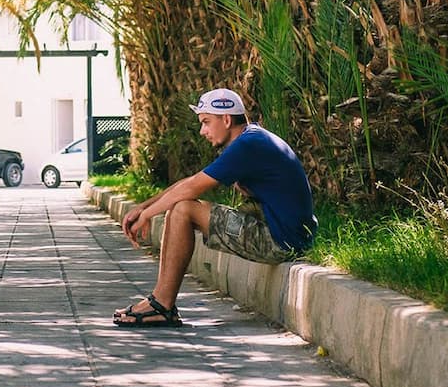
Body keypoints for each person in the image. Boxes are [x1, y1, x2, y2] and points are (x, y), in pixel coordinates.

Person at [113, 88, 317, 328]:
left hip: (281, 241)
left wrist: (147, 214)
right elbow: (190, 181)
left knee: (183, 209)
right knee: (182, 205)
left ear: (227, 119)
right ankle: (160, 301)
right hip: (288, 233)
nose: (203, 131)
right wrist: (143, 206)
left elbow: (192, 188)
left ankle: (162, 304)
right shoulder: (250, 140)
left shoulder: (248, 145)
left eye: (206, 122)